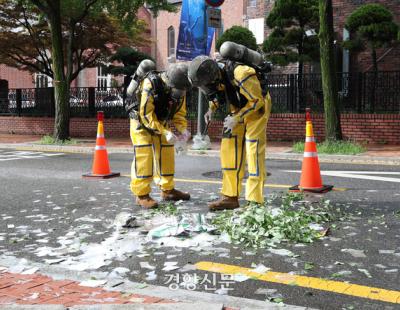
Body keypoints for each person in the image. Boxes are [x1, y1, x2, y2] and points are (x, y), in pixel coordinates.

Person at [188, 47, 272, 211]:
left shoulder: (241, 72)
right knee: (229, 148)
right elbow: (219, 93)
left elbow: (257, 101)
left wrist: (238, 118)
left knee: (253, 149)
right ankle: (230, 196)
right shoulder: (216, 74)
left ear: (212, 77)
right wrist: (211, 109)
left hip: (257, 107)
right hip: (238, 107)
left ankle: (255, 201)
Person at [128, 62, 192, 209]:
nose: (180, 94)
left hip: (161, 121)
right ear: (170, 84)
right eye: (177, 91)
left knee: (167, 152)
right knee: (144, 156)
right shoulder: (151, 85)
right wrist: (164, 132)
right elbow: (146, 115)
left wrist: (182, 132)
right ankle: (141, 194)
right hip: (140, 121)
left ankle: (168, 190)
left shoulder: (180, 88)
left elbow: (179, 114)